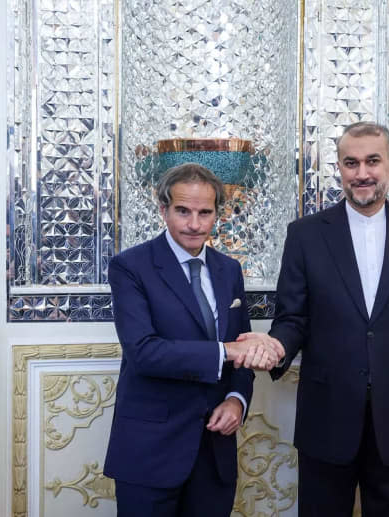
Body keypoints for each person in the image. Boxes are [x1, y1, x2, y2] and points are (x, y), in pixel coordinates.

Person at [238, 122, 389, 516]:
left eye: (372, 161)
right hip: (326, 416)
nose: (362, 173)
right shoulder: (304, 235)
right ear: (339, 167)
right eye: (350, 163)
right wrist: (275, 345)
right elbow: (293, 317)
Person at [104, 163, 284, 517]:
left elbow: (241, 350)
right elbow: (144, 352)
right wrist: (228, 351)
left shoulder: (228, 269)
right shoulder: (129, 267)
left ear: (217, 213)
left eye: (205, 212)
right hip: (151, 452)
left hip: (214, 452)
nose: (194, 224)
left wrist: (236, 400)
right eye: (183, 211)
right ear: (163, 209)